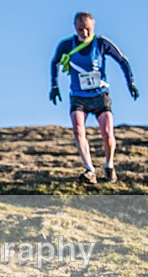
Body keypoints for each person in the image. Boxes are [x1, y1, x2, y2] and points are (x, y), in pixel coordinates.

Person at [50, 12, 139, 184]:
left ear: (94, 26)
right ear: (75, 28)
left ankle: (109, 164)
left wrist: (131, 83)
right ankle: (89, 170)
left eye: (87, 29)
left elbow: (122, 60)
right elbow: (54, 62)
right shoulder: (66, 45)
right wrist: (54, 86)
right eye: (80, 29)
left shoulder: (101, 43)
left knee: (107, 133)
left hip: (100, 95)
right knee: (77, 130)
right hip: (78, 97)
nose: (84, 33)